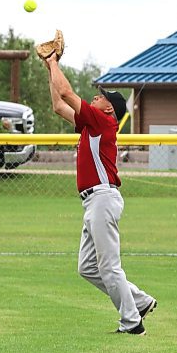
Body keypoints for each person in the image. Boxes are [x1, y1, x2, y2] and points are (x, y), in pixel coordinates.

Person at [44, 51, 157, 335]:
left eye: (102, 96)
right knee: (87, 268)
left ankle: (132, 323)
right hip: (93, 202)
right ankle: (140, 301)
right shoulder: (91, 123)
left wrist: (56, 62)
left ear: (109, 109)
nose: (96, 96)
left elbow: (67, 92)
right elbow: (59, 105)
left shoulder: (102, 121)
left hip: (103, 199)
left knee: (109, 266)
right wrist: (49, 66)